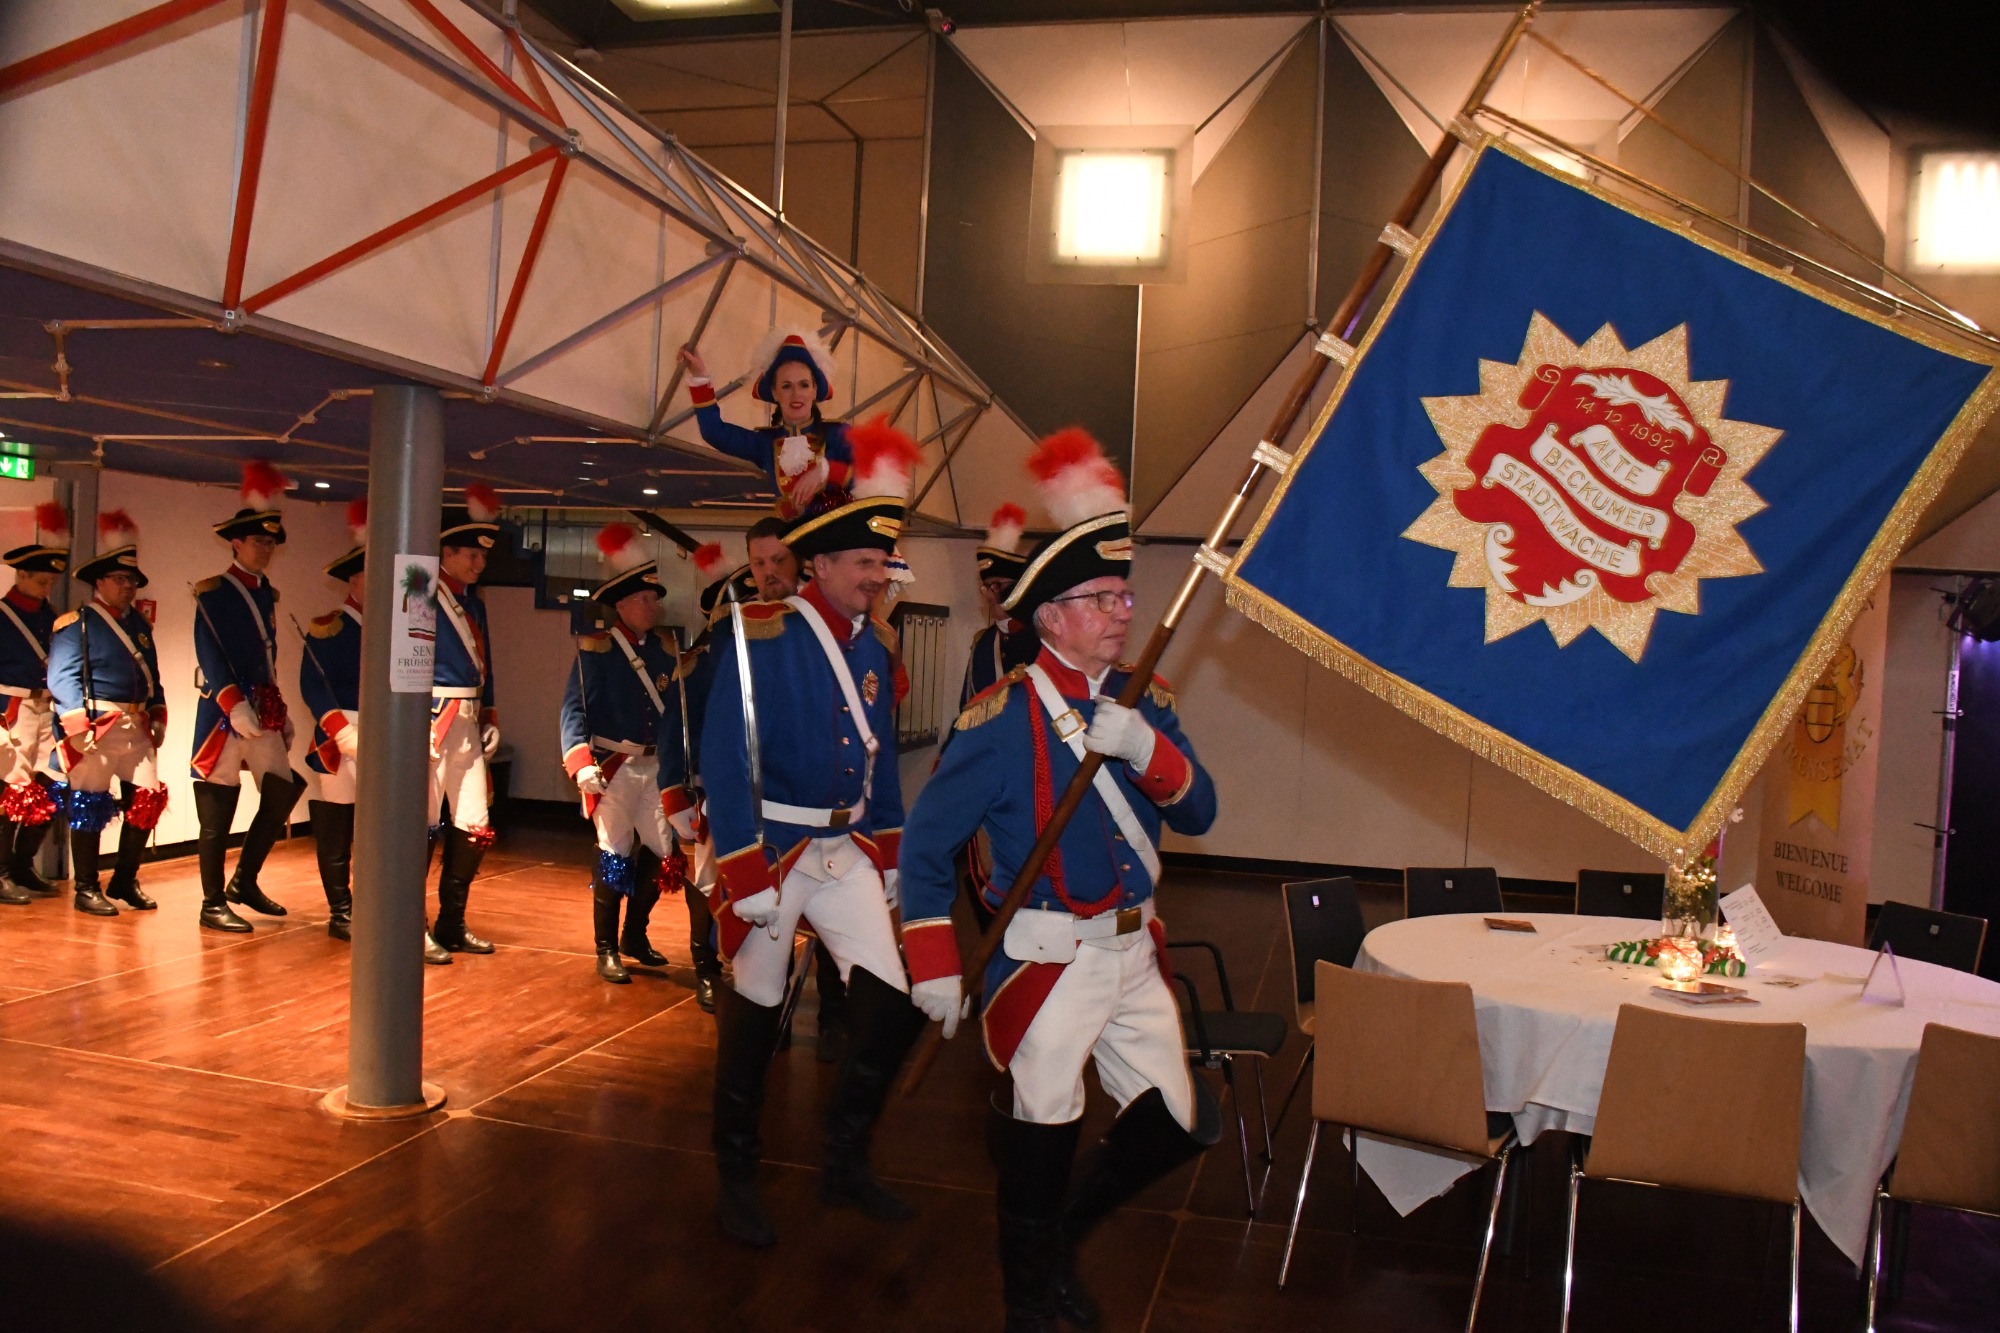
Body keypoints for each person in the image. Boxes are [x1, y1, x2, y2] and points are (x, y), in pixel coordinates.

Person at [899, 429, 1222, 1333]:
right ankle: (1029, 1303)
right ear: (1050, 616)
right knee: (1044, 1136)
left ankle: (1056, 1239)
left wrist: (1147, 748)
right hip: (1050, 961)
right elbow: (925, 844)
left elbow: (1201, 812)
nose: (1123, 611)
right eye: (1102, 598)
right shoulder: (1001, 717)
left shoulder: (1147, 700)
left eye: (1124, 594)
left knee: (1177, 1118)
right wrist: (934, 960)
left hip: (1135, 951)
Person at [701, 416, 926, 1249]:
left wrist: (890, 850)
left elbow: (881, 763)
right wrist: (742, 866)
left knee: (891, 1001)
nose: (877, 575)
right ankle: (736, 1172)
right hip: (775, 852)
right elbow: (723, 755)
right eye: (864, 562)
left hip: (847, 851)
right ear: (821, 565)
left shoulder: (876, 648)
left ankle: (844, 1159)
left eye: (882, 562)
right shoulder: (760, 634)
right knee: (756, 1012)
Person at [300, 503, 451, 963]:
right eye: (372, 575)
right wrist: (341, 732)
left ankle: (387, 909)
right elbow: (313, 686)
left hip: (390, 734)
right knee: (338, 823)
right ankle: (341, 911)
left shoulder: (402, 629)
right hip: (343, 735)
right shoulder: (330, 628)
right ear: (354, 580)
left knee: (392, 827)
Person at [560, 522, 694, 985]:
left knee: (663, 852)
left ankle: (635, 935)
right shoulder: (596, 650)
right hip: (613, 769)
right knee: (614, 853)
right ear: (621, 605)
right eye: (644, 599)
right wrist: (580, 764)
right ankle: (607, 949)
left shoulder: (664, 651)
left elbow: (674, 715)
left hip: (656, 768)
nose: (653, 606)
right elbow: (574, 710)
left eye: (654, 598)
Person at [190, 462, 309, 933]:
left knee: (283, 791)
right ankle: (211, 902)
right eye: (259, 541)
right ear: (236, 543)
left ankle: (245, 880)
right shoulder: (214, 592)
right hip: (224, 713)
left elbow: (266, 658)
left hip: (262, 708)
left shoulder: (266, 595)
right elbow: (210, 654)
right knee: (218, 809)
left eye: (271, 542)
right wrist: (232, 702)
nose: (267, 548)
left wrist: (279, 709)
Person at [48, 512, 170, 917]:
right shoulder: (77, 623)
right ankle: (86, 887)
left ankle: (124, 879)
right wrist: (76, 725)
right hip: (97, 726)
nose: (128, 586)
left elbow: (152, 676)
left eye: (132, 580)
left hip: (136, 725)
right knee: (89, 805)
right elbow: (62, 677)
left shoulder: (139, 625)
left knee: (146, 801)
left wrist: (157, 712)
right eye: (120, 578)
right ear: (99, 582)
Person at [429, 484, 504, 955]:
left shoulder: (474, 603)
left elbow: (485, 666)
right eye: (472, 555)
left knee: (475, 823)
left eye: (483, 557)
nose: (480, 564)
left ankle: (451, 922)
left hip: (468, 722)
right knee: (420, 827)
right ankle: (407, 924)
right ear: (447, 553)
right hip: (433, 720)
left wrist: (489, 714)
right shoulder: (421, 594)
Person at [678, 330, 853, 520]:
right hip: (791, 535)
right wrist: (700, 376)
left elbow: (872, 477)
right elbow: (714, 432)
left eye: (804, 385)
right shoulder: (766, 443)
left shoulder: (840, 435)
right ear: (774, 392)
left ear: (815, 390)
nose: (796, 394)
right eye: (786, 386)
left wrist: (827, 471)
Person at [0, 502, 70, 906]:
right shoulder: (2, 615)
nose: (47, 588)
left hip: (47, 709)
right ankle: (0, 872)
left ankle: (23, 864)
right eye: (42, 581)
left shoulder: (52, 616)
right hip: (11, 709)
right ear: (21, 575)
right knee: (10, 791)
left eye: (51, 582)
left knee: (48, 787)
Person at [962, 503, 1039, 706]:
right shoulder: (984, 642)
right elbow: (967, 707)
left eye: (999, 585)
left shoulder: (1043, 638)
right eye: (987, 587)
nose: (991, 596)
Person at [745, 515, 799, 603]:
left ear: (798, 561)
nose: (769, 571)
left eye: (778, 560)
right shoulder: (743, 610)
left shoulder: (818, 607)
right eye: (759, 563)